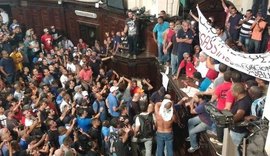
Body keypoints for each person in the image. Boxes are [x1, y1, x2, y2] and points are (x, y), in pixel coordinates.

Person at [230, 83, 252, 156]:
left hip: (238, 131)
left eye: (232, 91)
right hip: (237, 130)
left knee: (234, 149)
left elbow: (240, 114)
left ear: (237, 93)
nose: (231, 92)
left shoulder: (243, 102)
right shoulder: (243, 98)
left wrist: (229, 121)